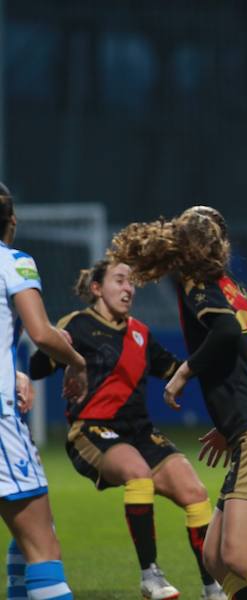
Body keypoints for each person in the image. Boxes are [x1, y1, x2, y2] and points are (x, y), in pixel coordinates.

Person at [109, 206, 247, 600]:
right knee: (216, 557)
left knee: (239, 554)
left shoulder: (197, 283)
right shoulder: (238, 292)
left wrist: (184, 373)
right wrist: (231, 421)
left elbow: (225, 330)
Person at [29, 258, 227, 600]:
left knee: (195, 493)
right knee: (138, 473)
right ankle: (151, 576)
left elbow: (175, 370)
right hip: (92, 430)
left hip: (139, 432)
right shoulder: (76, 325)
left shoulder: (140, 333)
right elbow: (36, 368)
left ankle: (213, 588)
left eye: (132, 282)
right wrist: (57, 346)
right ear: (96, 288)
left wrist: (214, 352)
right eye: (119, 280)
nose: (128, 288)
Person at [0, 183, 86, 600]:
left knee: (26, 534)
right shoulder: (13, 261)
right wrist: (77, 362)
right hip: (0, 424)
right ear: (12, 222)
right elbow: (41, 333)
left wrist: (15, 371)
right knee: (43, 545)